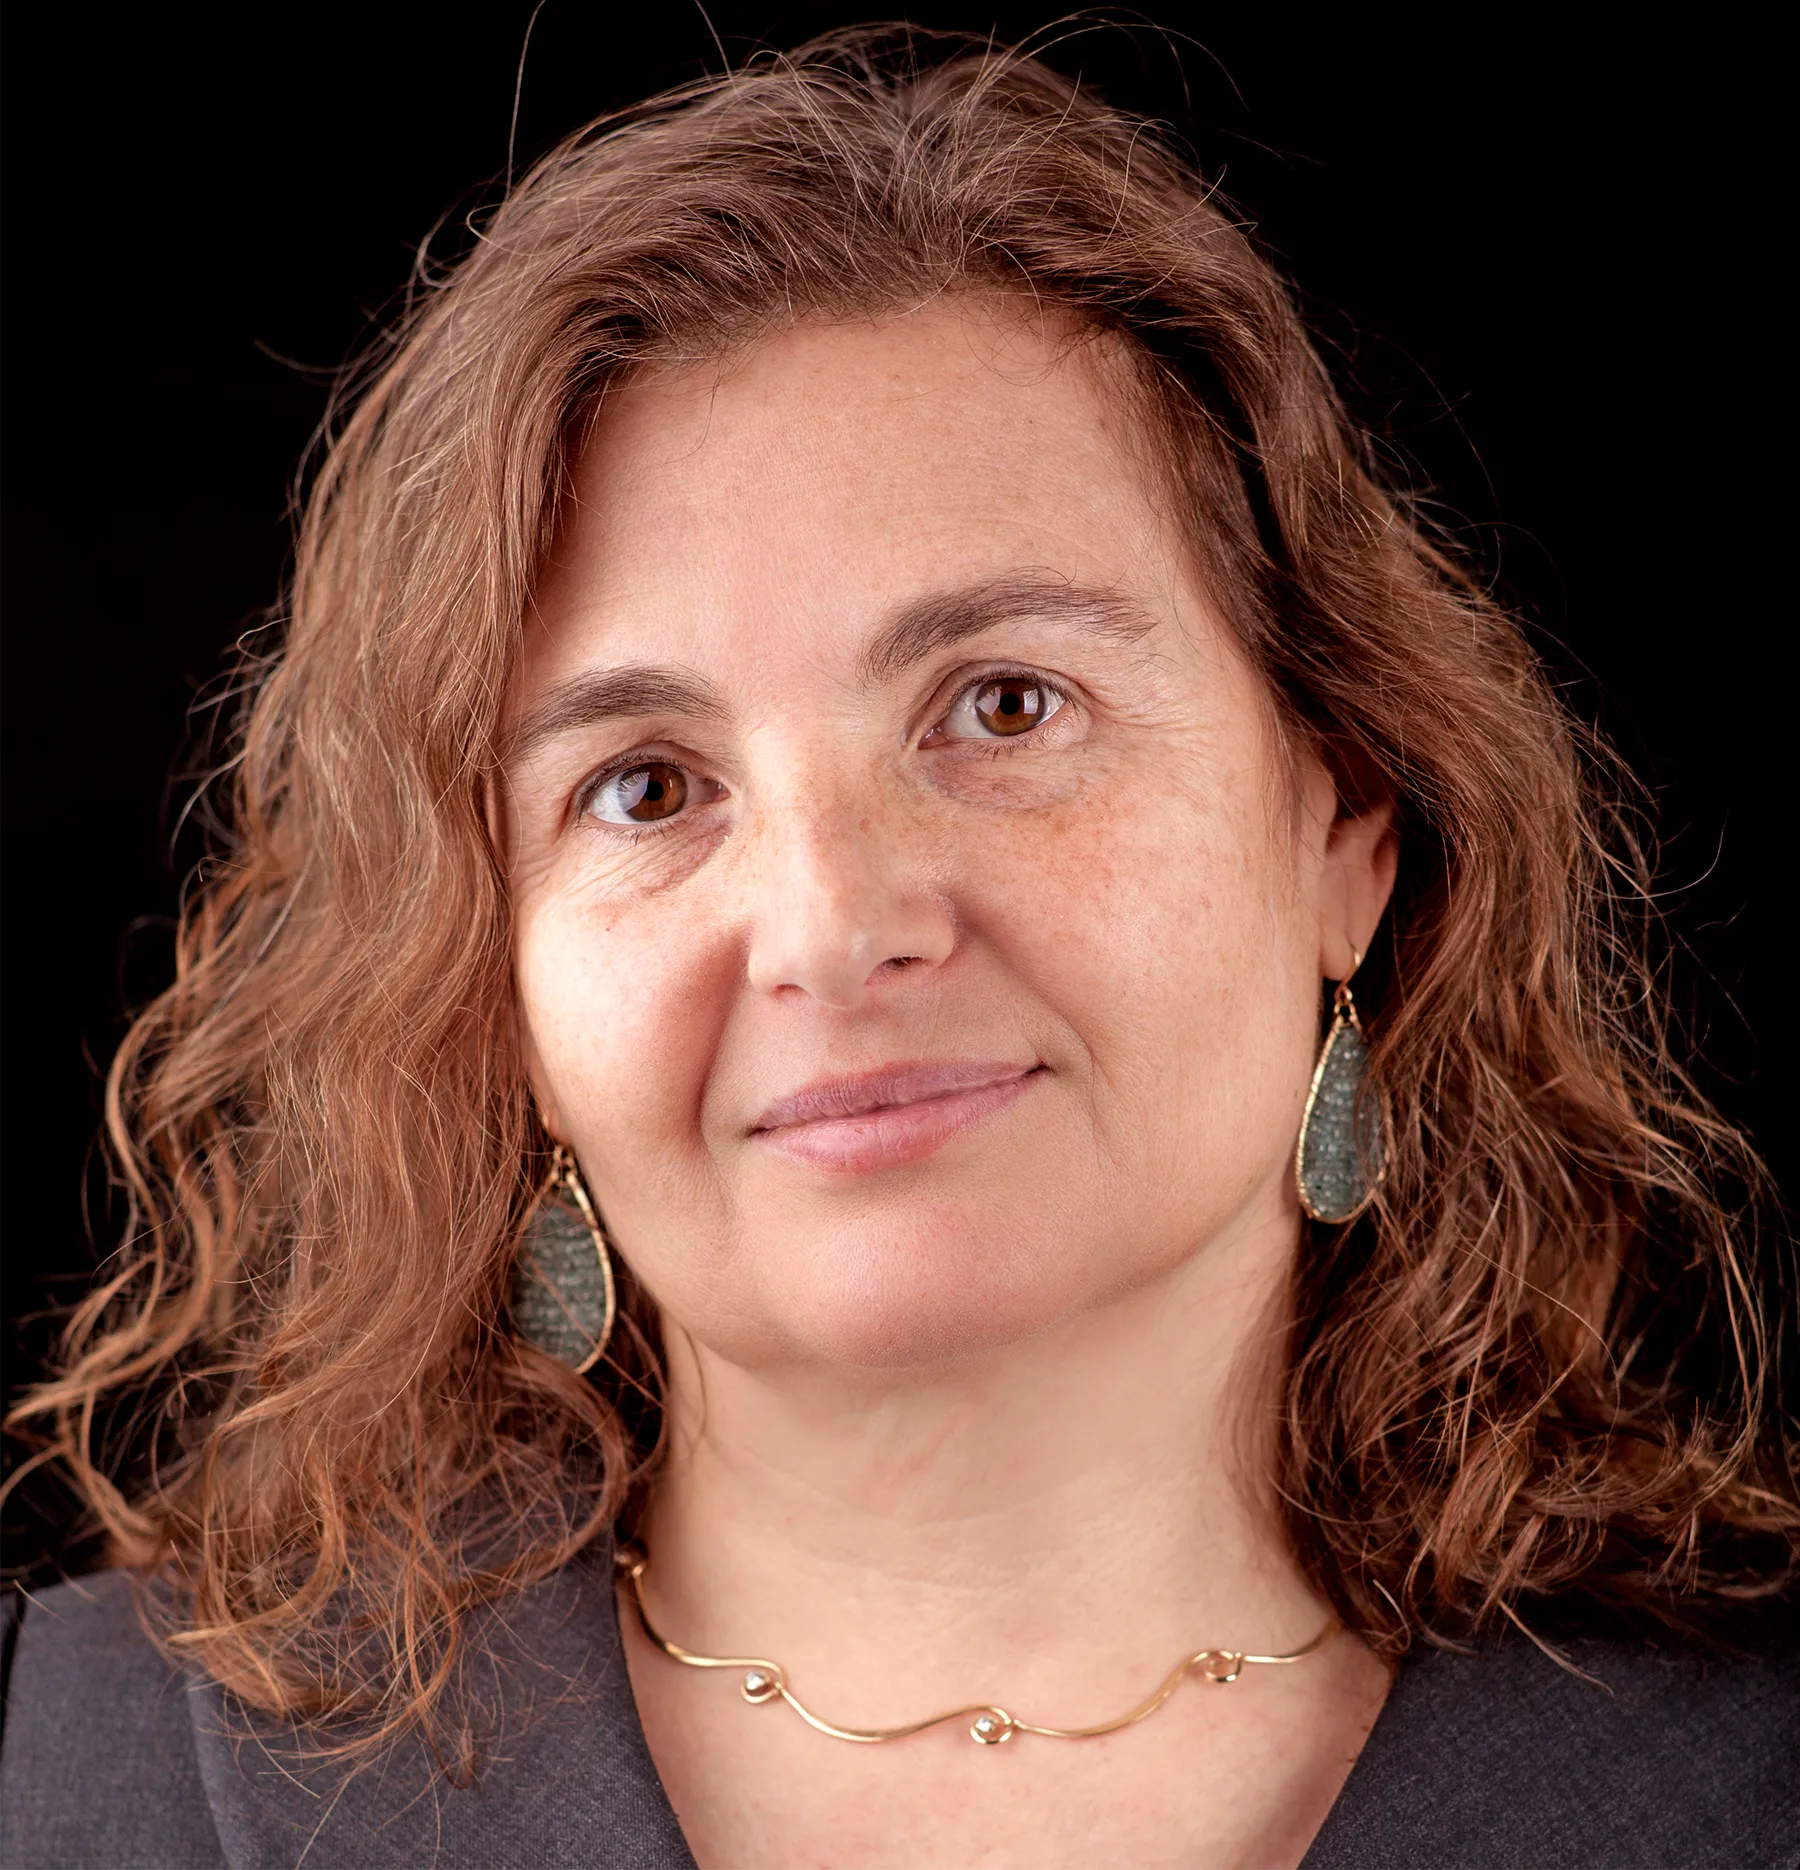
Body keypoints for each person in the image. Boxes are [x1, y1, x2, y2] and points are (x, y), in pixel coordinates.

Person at [2, 30, 1795, 1869]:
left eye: (1006, 705)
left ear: (1345, 829)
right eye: (643, 787)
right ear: (503, 986)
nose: (837, 925)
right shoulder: (68, 1777)